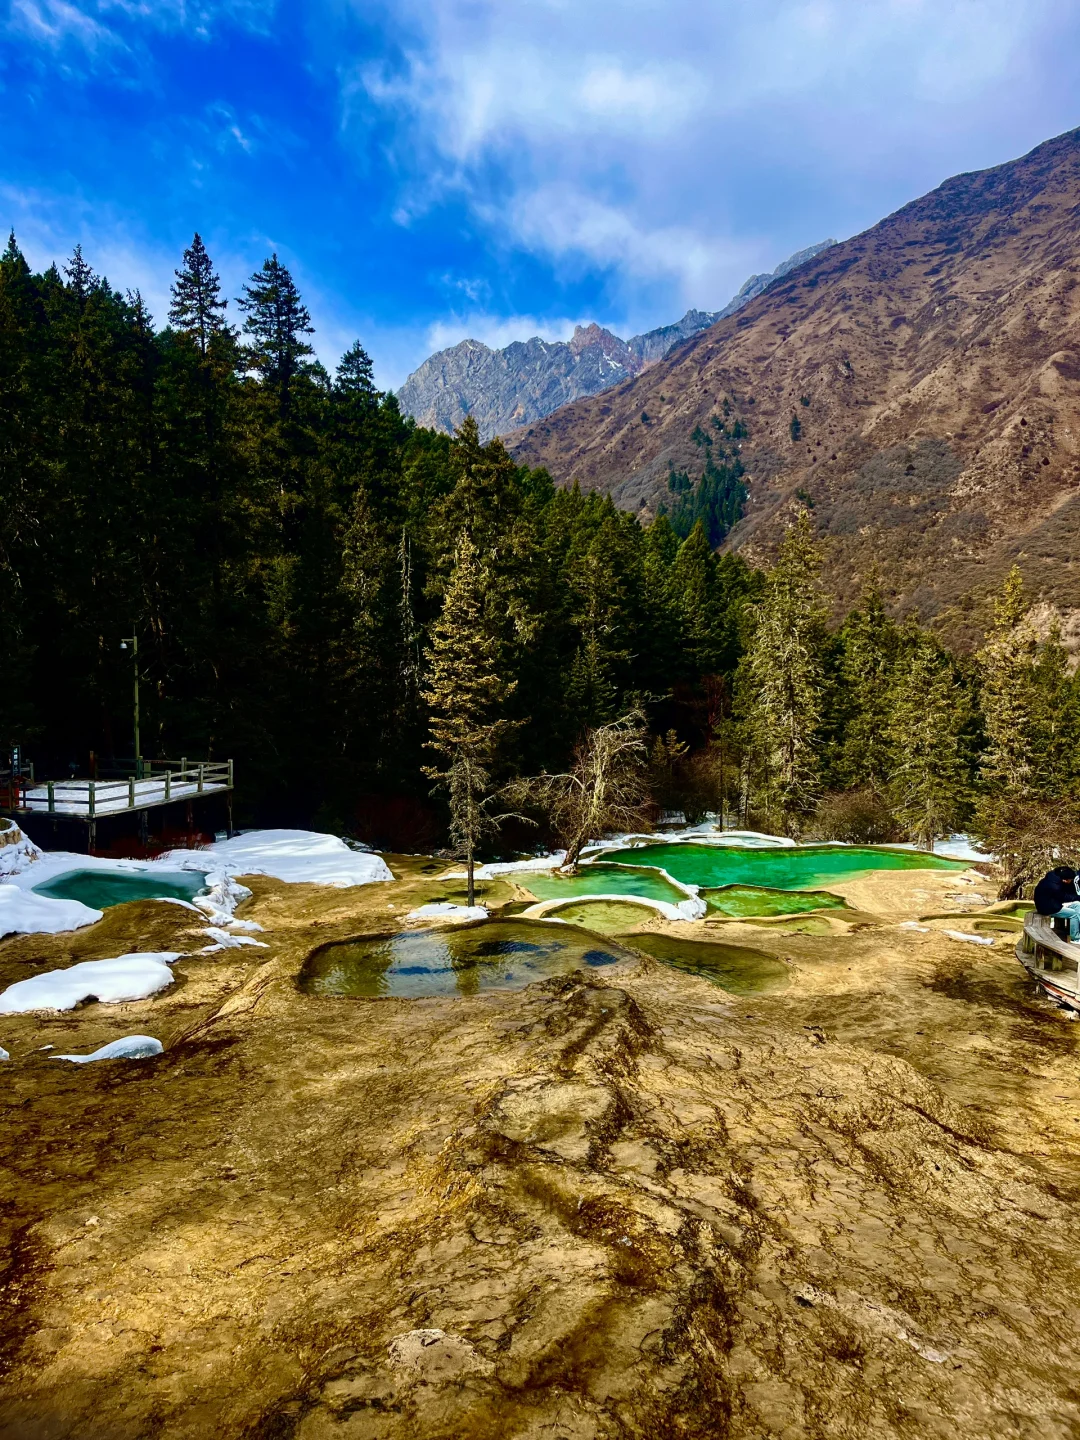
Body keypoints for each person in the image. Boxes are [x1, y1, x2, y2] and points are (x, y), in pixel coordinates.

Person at [1033, 866, 1080, 942]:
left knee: (1077, 905)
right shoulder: (1055, 886)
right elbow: (1064, 897)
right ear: (1065, 880)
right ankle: (1075, 938)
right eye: (1070, 880)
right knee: (1074, 914)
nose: (1071, 882)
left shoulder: (1054, 877)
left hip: (1053, 903)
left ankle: (1078, 930)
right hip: (1048, 908)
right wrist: (1078, 897)